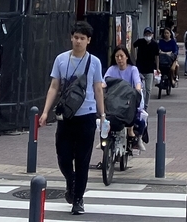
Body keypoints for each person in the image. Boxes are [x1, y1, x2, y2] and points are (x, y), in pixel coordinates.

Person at [41, 21, 107, 215]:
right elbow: (54, 86)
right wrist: (45, 111)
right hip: (65, 117)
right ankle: (71, 180)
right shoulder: (61, 59)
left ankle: (78, 199)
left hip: (86, 115)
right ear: (71, 38)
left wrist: (102, 115)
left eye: (82, 38)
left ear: (88, 41)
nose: (78, 41)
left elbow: (97, 89)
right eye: (76, 37)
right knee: (63, 156)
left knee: (83, 159)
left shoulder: (94, 62)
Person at [105, 44, 144, 148]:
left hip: (128, 100)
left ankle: (135, 135)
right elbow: (104, 82)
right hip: (115, 100)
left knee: (140, 117)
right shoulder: (112, 69)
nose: (119, 59)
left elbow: (137, 83)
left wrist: (138, 90)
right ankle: (104, 136)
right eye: (117, 56)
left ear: (127, 56)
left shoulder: (133, 69)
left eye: (122, 56)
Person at [132, 27, 160, 98]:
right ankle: (140, 104)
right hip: (140, 69)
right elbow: (133, 46)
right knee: (139, 88)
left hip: (150, 69)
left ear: (152, 35)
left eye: (149, 34)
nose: (148, 36)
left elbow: (157, 56)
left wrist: (157, 68)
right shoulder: (140, 42)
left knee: (148, 89)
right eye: (146, 34)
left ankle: (145, 106)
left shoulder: (155, 44)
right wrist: (134, 56)